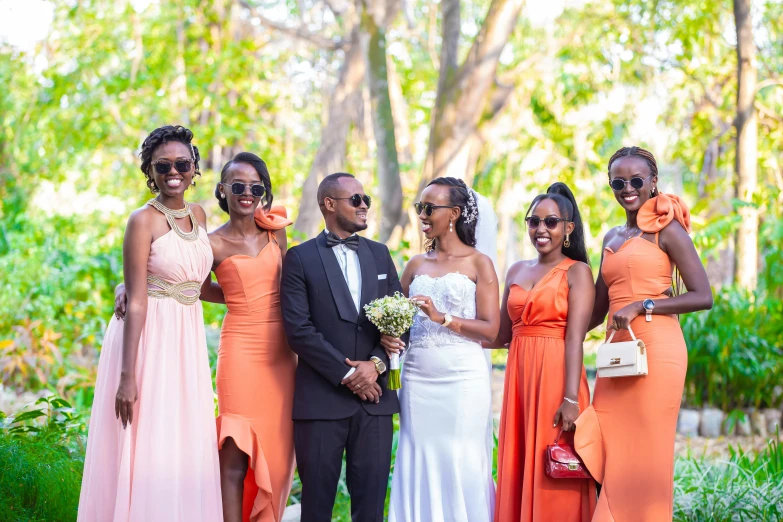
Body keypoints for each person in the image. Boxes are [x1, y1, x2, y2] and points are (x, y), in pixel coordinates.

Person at [78, 125, 223, 522]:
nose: (173, 171)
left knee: (180, 440)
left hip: (185, 340)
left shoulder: (199, 214)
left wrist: (256, 293)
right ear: (150, 170)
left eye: (182, 163)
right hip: (148, 340)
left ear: (194, 168)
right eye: (163, 165)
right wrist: (127, 376)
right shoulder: (142, 220)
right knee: (150, 441)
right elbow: (138, 300)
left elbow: (200, 285)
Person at [574, 146, 713, 522]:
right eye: (618, 182)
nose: (628, 188)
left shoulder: (667, 231)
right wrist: (557, 331)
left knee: (648, 452)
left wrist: (644, 305)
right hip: (616, 352)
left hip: (658, 349)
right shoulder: (612, 236)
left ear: (653, 182)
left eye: (637, 180)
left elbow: (703, 296)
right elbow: (599, 309)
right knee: (610, 442)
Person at [280, 173, 401, 522]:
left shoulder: (380, 255)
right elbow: (298, 331)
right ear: (329, 205)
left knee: (371, 508)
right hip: (320, 401)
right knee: (316, 508)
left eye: (366, 199)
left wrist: (375, 366)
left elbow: (401, 318)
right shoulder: (299, 258)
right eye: (356, 200)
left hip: (376, 401)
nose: (364, 206)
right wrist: (349, 373)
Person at [386, 177, 500, 522]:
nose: (422, 214)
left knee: (460, 459)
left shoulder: (479, 263)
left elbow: (491, 330)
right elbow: (397, 317)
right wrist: (390, 338)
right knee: (417, 453)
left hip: (463, 380)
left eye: (429, 207)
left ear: (454, 213)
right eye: (419, 207)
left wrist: (442, 317)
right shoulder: (415, 265)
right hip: (417, 378)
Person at [492, 182, 596, 522]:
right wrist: (444, 323)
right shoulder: (516, 271)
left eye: (551, 222)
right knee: (522, 460)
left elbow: (575, 338)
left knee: (555, 463)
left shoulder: (577, 271)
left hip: (557, 377)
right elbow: (500, 335)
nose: (541, 229)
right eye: (533, 221)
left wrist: (571, 398)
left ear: (568, 228)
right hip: (520, 378)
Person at [211, 153, 296, 522]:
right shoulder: (211, 243)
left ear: (264, 191)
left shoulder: (275, 230)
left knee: (277, 459)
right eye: (239, 185)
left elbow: (292, 284)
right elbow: (192, 286)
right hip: (240, 351)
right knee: (235, 452)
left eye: (256, 186)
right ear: (223, 190)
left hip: (283, 355)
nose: (247, 193)